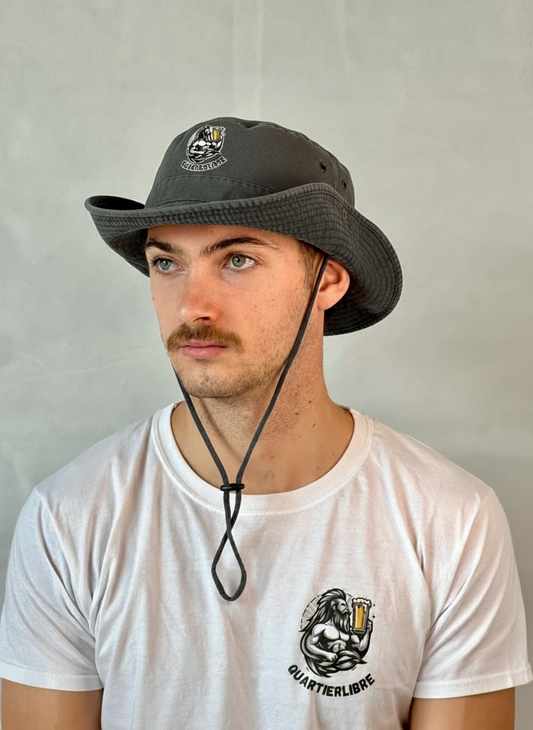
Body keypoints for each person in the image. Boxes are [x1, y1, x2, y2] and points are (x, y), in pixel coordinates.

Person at [0, 117, 530, 730]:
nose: (192, 304)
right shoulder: (70, 518)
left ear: (327, 279)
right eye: (166, 262)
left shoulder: (450, 521)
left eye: (238, 259)